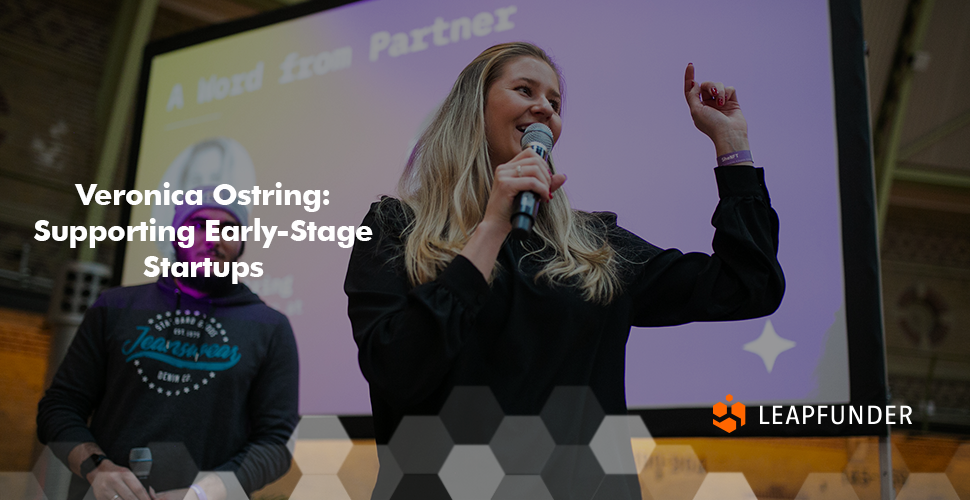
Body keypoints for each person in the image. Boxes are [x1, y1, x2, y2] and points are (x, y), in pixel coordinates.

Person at [343, 42, 784, 496]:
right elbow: (396, 368)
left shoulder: (594, 246)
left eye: (555, 103)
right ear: (473, 107)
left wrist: (732, 147)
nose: (545, 109)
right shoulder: (394, 227)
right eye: (524, 90)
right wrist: (492, 227)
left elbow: (747, 286)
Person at [38, 187, 299, 500]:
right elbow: (59, 408)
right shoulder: (115, 307)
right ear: (175, 234)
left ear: (242, 243)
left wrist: (203, 494)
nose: (214, 238)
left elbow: (276, 442)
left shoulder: (270, 328)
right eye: (199, 225)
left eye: (229, 229)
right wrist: (99, 468)